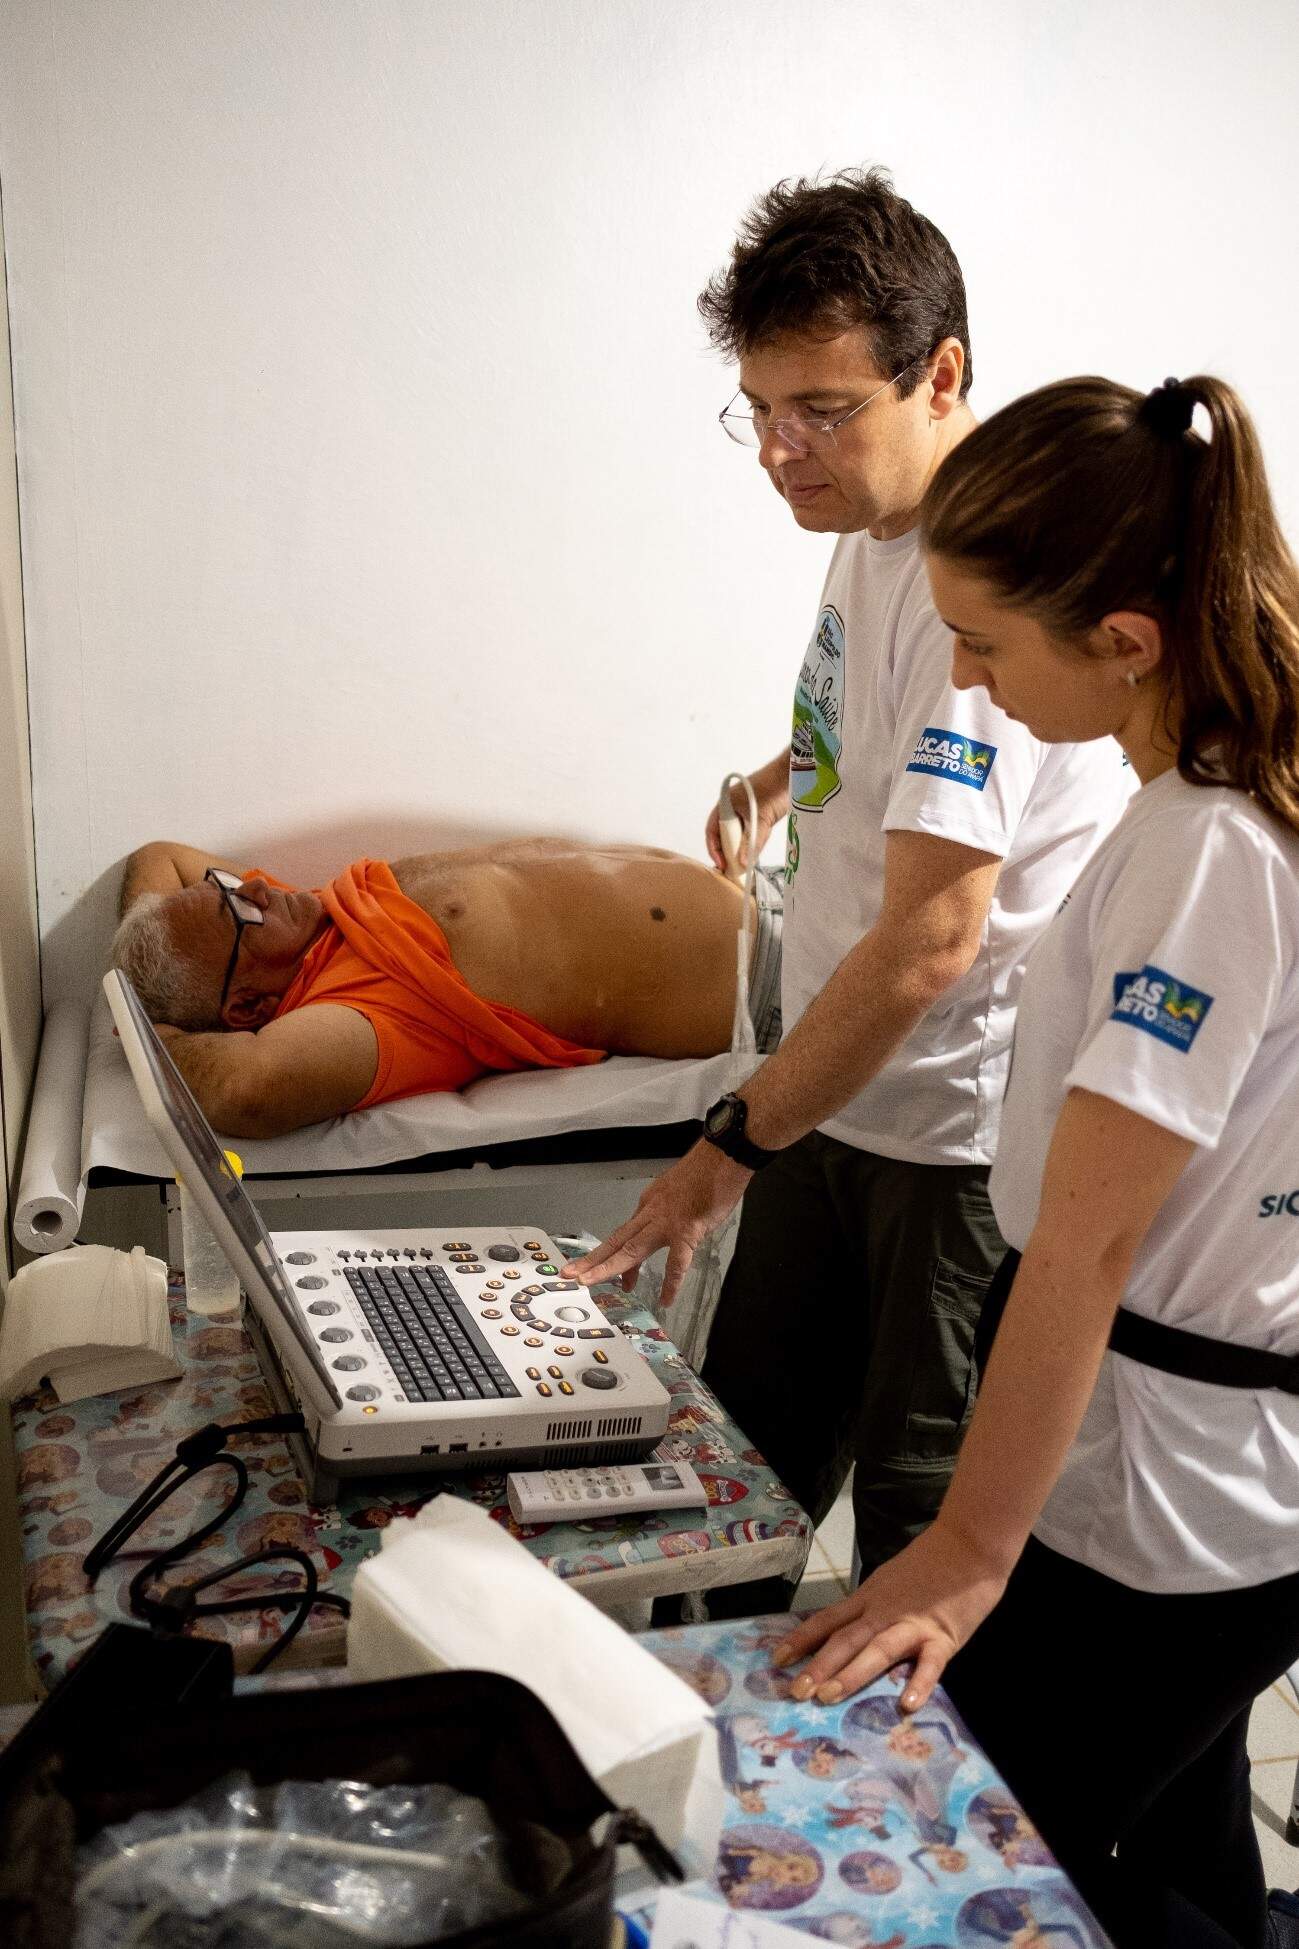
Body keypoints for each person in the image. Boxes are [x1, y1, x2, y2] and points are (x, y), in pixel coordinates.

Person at [775, 374, 1299, 1949]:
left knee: (978, 1846)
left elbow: (1083, 1245)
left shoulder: (1205, 848)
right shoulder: (1219, 798)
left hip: (1171, 1493)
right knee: (1182, 1824)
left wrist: (965, 1549)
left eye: (985, 643)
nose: (964, 674)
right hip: (1208, 1464)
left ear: (1122, 640)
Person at [565, 169, 1132, 1589]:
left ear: (939, 375)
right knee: (738, 1472)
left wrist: (723, 1150)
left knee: (912, 1539)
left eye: (819, 409)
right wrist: (784, 776)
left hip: (943, 1142)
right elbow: (885, 731)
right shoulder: (873, 523)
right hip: (829, 1092)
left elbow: (933, 940)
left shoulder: (985, 578)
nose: (778, 448)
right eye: (758, 409)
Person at [111, 834, 783, 1137]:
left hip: (778, 892)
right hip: (777, 984)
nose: (256, 887)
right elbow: (246, 1089)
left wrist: (126, 982)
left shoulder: (303, 922)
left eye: (227, 886)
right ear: (247, 1007)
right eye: (238, 911)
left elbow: (158, 856)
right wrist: (145, 1034)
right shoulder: (363, 1009)